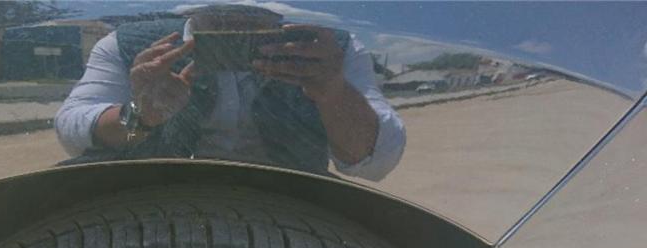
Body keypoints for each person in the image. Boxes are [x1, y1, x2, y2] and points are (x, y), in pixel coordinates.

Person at [55, 5, 405, 180]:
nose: (237, 20)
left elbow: (376, 162)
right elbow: (73, 134)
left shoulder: (332, 48)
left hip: (294, 202)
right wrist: (140, 115)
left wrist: (333, 93)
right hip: (157, 194)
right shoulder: (126, 44)